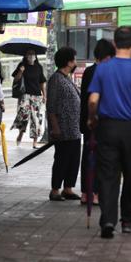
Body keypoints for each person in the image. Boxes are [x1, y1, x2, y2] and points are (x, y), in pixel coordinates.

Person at [88, 27, 131, 239]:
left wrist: (92, 118)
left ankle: (108, 219)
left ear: (115, 44)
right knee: (130, 174)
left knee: (108, 175)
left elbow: (93, 100)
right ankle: (127, 221)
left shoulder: (103, 69)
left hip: (107, 127)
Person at [79, 39, 116, 205]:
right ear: (108, 55)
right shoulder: (107, 72)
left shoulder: (88, 71)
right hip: (101, 121)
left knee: (88, 156)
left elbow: (84, 99)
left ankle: (85, 193)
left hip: (88, 122)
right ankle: (95, 192)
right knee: (101, 159)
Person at [46, 47, 81, 202]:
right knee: (62, 159)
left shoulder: (66, 78)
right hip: (63, 129)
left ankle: (68, 188)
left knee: (73, 159)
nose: (76, 62)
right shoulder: (56, 79)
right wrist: (55, 127)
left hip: (74, 128)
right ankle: (55, 190)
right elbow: (51, 106)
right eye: (74, 59)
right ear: (68, 62)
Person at [11, 49, 46, 149]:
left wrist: (44, 95)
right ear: (25, 55)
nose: (31, 56)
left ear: (35, 55)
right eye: (29, 54)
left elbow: (42, 82)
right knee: (23, 114)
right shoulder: (22, 65)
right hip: (25, 95)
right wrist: (20, 71)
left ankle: (35, 142)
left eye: (33, 54)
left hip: (36, 95)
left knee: (36, 118)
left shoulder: (39, 67)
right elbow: (16, 79)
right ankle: (21, 133)